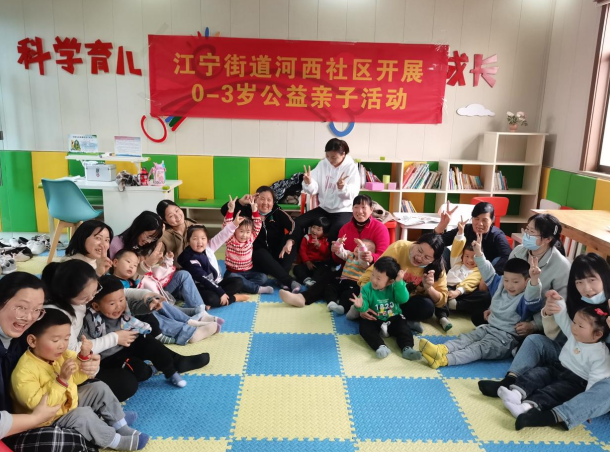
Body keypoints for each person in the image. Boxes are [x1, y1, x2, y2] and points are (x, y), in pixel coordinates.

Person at [42, 261, 209, 402]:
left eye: (95, 290)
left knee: (145, 337)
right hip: (89, 362)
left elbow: (116, 294)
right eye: (88, 297)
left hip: (110, 346)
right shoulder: (65, 316)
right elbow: (71, 350)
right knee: (129, 382)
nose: (93, 296)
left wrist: (146, 296)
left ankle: (175, 362)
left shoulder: (83, 293)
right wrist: (114, 338)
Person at [478, 253, 610, 430]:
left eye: (592, 279)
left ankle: (556, 415)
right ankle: (510, 383)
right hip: (570, 356)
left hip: (597, 372)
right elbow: (561, 333)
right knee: (535, 341)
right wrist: (549, 313)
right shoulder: (578, 302)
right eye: (579, 282)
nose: (586, 288)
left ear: (604, 277)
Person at [10, 309, 149, 450]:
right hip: (46, 420)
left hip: (66, 403)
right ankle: (115, 441)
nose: (62, 345)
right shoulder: (24, 371)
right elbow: (39, 407)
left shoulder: (60, 354)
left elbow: (77, 378)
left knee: (98, 388)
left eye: (66, 339)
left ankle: (119, 423)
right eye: (55, 340)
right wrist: (61, 381)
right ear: (33, 341)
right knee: (83, 415)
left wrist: (83, 358)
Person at [0, 272, 101, 452]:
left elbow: (66, 359)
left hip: (41, 407)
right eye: (21, 307)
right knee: (62, 439)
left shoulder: (28, 334)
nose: (29, 317)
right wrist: (34, 419)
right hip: (15, 422)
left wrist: (87, 362)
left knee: (102, 388)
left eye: (37, 310)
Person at [419, 233, 542, 369]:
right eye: (506, 280)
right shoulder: (501, 285)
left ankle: (444, 360)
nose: (509, 285)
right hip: (489, 328)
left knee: (477, 349)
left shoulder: (525, 298)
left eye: (515, 282)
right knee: (466, 338)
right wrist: (478, 253)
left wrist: (535, 280)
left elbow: (533, 297)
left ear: (527, 281)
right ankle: (441, 349)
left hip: (505, 339)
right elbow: (488, 272)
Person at [499, 300, 610, 431]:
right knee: (536, 374)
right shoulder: (574, 335)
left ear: (597, 335)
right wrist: (559, 303)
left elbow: (595, 381)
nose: (574, 327)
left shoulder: (600, 354)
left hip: (576, 381)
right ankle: (515, 393)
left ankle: (525, 408)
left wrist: (587, 406)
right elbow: (563, 319)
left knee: (552, 392)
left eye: (580, 326)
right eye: (574, 322)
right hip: (558, 368)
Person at [279, 195, 389, 308]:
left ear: (371, 209)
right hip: (348, 273)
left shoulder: (380, 229)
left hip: (370, 275)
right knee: (327, 277)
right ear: (352, 209)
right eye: (356, 207)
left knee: (361, 294)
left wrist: (372, 257)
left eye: (363, 207)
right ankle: (302, 298)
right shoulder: (345, 229)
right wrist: (335, 252)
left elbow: (384, 256)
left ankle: (345, 304)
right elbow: (338, 261)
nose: (359, 211)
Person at [82, 276, 189, 389]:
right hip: (111, 357)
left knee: (152, 344)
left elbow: (136, 306)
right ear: (96, 306)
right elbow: (89, 346)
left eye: (121, 300)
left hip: (129, 345)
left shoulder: (124, 307)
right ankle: (151, 370)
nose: (118, 306)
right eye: (112, 304)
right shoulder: (90, 320)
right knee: (140, 371)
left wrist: (150, 305)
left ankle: (171, 372)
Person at [112, 249, 221, 345]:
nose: (132, 266)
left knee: (157, 303)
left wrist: (166, 261)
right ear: (115, 262)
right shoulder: (111, 282)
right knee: (152, 311)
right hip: (130, 313)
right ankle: (188, 331)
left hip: (150, 300)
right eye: (128, 262)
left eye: (135, 265)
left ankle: (194, 318)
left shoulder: (132, 281)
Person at [280, 138, 360, 264]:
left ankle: (330, 265)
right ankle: (292, 255)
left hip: (343, 210)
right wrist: (309, 182)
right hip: (324, 208)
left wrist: (342, 188)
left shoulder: (351, 168)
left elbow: (353, 194)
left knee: (335, 231)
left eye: (333, 157)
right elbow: (314, 189)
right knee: (297, 222)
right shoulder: (323, 164)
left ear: (343, 154)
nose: (330, 160)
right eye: (327, 156)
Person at [359, 233, 447, 334]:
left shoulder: (437, 267)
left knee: (427, 307)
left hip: (407, 303)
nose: (419, 258)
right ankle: (399, 321)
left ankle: (392, 320)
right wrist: (364, 301)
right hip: (385, 299)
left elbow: (442, 300)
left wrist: (429, 288)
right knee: (355, 299)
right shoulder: (399, 248)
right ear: (416, 242)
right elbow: (371, 274)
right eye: (419, 251)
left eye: (426, 257)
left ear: (434, 260)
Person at [219, 186, 300, 292]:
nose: (265, 203)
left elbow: (295, 227)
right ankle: (287, 280)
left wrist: (290, 241)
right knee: (260, 252)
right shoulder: (246, 210)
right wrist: (240, 202)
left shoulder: (277, 212)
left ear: (273, 202)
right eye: (262, 199)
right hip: (257, 259)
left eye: (269, 200)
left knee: (291, 241)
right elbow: (224, 211)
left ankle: (281, 279)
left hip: (276, 256)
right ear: (255, 199)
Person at [502, 213, 571, 336]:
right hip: (510, 311)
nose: (526, 234)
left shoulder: (562, 266)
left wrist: (534, 325)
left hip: (535, 318)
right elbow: (506, 281)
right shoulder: (518, 251)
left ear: (547, 239)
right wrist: (495, 308)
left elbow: (560, 304)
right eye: (527, 229)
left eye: (532, 232)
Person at [351, 257, 420, 361]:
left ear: (390, 282)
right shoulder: (367, 288)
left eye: (378, 278)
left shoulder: (395, 286)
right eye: (373, 275)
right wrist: (360, 306)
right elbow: (364, 305)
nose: (373, 280)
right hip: (375, 318)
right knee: (364, 326)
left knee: (403, 327)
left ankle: (407, 348)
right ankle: (380, 346)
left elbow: (403, 299)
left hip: (393, 318)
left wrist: (399, 283)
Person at [178, 224, 249, 307]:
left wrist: (234, 224)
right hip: (201, 287)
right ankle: (233, 298)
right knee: (211, 299)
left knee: (238, 281)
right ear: (188, 241)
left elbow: (222, 236)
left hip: (215, 283)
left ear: (207, 240)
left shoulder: (209, 248)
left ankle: (220, 298)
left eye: (203, 238)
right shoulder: (190, 258)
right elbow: (203, 278)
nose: (200, 242)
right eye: (195, 239)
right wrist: (221, 292)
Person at [222, 197, 273, 294]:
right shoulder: (230, 239)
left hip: (248, 272)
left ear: (251, 232)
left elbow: (257, 224)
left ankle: (242, 286)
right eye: (241, 231)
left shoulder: (251, 238)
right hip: (232, 273)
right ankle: (255, 289)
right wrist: (231, 210)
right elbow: (226, 227)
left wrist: (254, 210)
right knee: (233, 278)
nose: (244, 235)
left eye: (247, 232)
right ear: (235, 230)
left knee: (263, 278)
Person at [445, 218, 482, 331]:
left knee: (483, 296)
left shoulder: (478, 270)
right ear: (462, 256)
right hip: (448, 288)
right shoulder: (457, 262)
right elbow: (456, 249)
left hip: (463, 293)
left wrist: (457, 292)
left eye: (474, 257)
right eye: (467, 256)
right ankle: (443, 313)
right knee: (440, 292)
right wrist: (460, 233)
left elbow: (470, 283)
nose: (470, 260)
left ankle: (455, 306)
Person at [327, 238, 376, 315]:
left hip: (354, 284)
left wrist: (362, 247)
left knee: (350, 294)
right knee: (330, 287)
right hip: (343, 281)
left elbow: (362, 260)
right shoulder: (350, 254)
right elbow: (340, 252)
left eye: (361, 248)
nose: (357, 249)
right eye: (357, 246)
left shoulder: (365, 263)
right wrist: (339, 243)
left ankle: (343, 307)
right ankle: (331, 302)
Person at [293, 216, 331, 286]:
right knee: (296, 268)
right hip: (308, 264)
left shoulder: (325, 240)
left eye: (318, 229)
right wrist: (307, 262)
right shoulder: (306, 237)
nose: (314, 231)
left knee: (325, 269)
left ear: (325, 233)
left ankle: (314, 281)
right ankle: (307, 280)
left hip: (320, 264)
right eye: (313, 227)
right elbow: (302, 251)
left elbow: (327, 253)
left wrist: (319, 246)